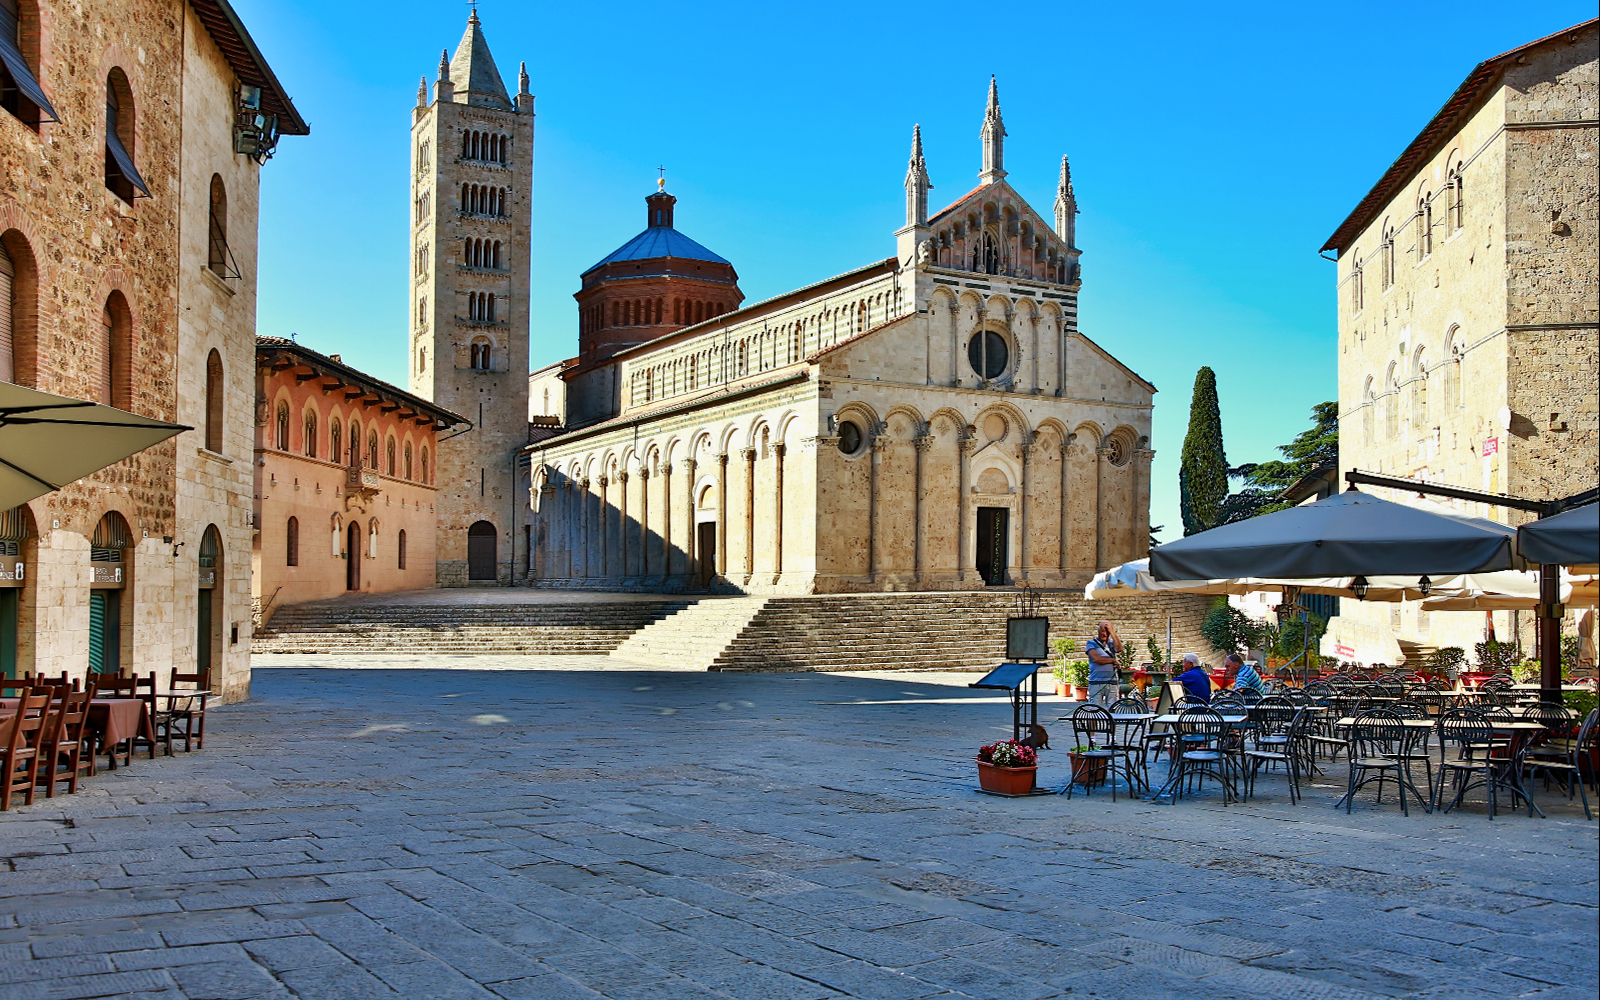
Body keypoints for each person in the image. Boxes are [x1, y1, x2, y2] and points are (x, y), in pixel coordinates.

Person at [1084, 621, 1122, 708]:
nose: (1104, 634)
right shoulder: (1091, 643)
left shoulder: (1112, 643)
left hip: (1112, 682)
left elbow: (1119, 649)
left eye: (1107, 632)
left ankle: (1111, 722)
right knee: (1094, 709)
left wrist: (1112, 632)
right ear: (1098, 632)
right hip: (1096, 682)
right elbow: (1096, 659)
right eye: (1102, 631)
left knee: (1113, 708)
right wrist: (1113, 660)